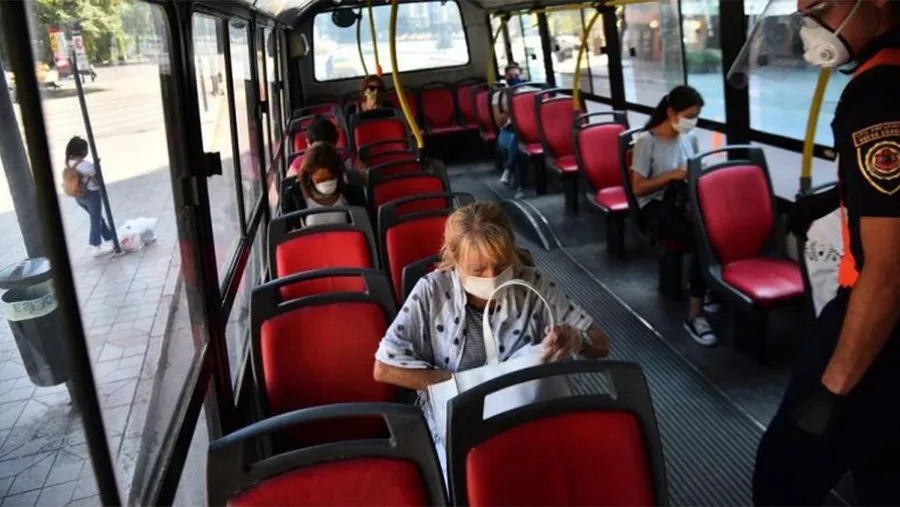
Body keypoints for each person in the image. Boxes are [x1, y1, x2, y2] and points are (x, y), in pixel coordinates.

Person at [752, 1, 900, 505]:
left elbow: (887, 275)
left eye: (820, 8)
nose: (810, 26)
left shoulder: (878, 95)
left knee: (782, 477)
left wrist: (831, 391)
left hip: (875, 315)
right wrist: (831, 200)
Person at [373, 202, 610, 448]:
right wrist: (462, 383)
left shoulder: (533, 285)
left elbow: (601, 344)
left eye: (501, 265)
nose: (492, 277)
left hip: (526, 418)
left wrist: (576, 340)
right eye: (478, 270)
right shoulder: (432, 292)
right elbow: (384, 368)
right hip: (461, 422)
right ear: (455, 261)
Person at [631, 85, 719, 347]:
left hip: (683, 202)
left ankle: (706, 286)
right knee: (701, 239)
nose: (693, 122)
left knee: (719, 230)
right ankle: (695, 313)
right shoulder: (647, 141)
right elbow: (638, 188)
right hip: (655, 206)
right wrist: (671, 175)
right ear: (671, 113)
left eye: (696, 116)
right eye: (689, 116)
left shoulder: (689, 138)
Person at [65, 136, 114, 257]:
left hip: (79, 196)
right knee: (95, 219)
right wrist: (97, 168)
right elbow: (97, 181)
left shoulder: (69, 163)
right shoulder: (86, 165)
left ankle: (111, 238)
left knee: (97, 218)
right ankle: (95, 246)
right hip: (91, 195)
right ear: (82, 151)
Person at [296, 142, 359, 226]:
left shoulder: (351, 194)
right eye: (320, 180)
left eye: (331, 178)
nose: (326, 183)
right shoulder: (295, 197)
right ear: (310, 176)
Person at [492, 63, 528, 198]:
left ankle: (508, 169)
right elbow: (499, 122)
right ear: (505, 77)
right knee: (517, 141)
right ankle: (520, 186)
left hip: (526, 130)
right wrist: (512, 109)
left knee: (519, 141)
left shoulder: (527, 93)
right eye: (510, 76)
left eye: (516, 75)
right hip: (507, 131)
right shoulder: (499, 96)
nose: (514, 78)